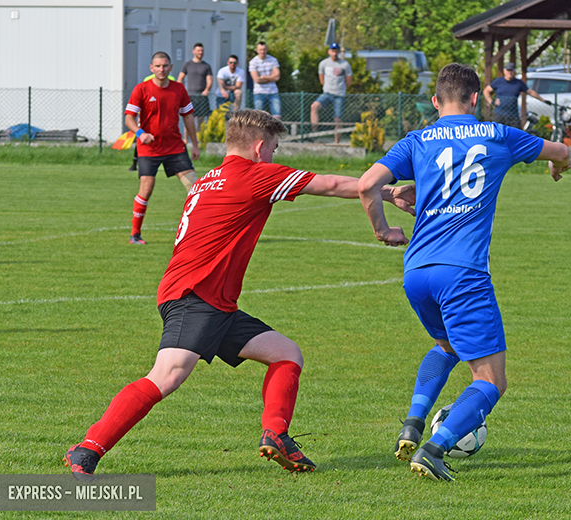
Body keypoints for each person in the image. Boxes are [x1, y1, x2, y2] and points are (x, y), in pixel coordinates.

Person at [64, 109, 415, 478]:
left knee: (285, 354)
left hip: (211, 301)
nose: (276, 157)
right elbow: (328, 184)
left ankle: (277, 434)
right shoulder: (254, 174)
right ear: (260, 148)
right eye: (275, 149)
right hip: (194, 295)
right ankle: (87, 450)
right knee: (167, 374)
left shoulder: (206, 180)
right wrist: (387, 193)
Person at [358, 63, 571, 481]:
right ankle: (435, 450)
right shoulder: (498, 135)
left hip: (417, 272)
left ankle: (413, 424)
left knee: (448, 347)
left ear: (436, 101)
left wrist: (384, 229)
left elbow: (367, 185)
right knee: (491, 380)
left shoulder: (417, 141)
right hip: (463, 274)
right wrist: (556, 167)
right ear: (477, 99)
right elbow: (562, 151)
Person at [125, 51, 200, 245]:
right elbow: (129, 118)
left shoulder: (179, 89)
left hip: (175, 147)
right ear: (151, 68)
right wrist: (141, 134)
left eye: (165, 66)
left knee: (195, 188)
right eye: (157, 66)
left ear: (171, 68)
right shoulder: (141, 89)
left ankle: (200, 233)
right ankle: (135, 233)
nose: (161, 69)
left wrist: (194, 144)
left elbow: (188, 117)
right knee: (147, 188)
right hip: (148, 149)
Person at [482, 62, 549, 128]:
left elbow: (530, 92)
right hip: (499, 114)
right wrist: (491, 101)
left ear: (514, 72)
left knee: (516, 135)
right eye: (508, 70)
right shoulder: (498, 81)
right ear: (504, 71)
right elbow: (486, 91)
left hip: (513, 116)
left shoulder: (519, 83)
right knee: (497, 136)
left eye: (511, 70)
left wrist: (543, 100)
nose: (510, 72)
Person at [311, 43, 352, 144]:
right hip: (327, 93)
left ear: (338, 52)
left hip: (339, 95)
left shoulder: (344, 65)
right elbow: (322, 79)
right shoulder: (323, 63)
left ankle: (337, 141)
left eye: (336, 51)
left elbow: (348, 81)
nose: (334, 53)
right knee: (314, 106)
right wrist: (327, 87)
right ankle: (313, 134)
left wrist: (340, 89)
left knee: (337, 118)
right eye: (332, 51)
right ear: (329, 52)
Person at [177, 43, 214, 138]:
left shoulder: (206, 66)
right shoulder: (187, 65)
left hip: (202, 96)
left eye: (202, 51)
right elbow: (180, 78)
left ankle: (197, 140)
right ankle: (185, 139)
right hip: (190, 96)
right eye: (198, 51)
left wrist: (206, 90)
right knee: (189, 118)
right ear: (194, 51)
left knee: (200, 120)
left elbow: (210, 80)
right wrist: (182, 91)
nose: (200, 52)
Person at [249, 42, 281, 118]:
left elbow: (277, 76)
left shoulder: (273, 60)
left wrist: (263, 77)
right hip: (259, 92)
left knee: (277, 115)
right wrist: (271, 78)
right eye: (260, 50)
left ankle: (276, 130)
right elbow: (256, 79)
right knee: (259, 117)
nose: (262, 52)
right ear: (257, 50)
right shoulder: (253, 62)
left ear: (267, 49)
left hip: (273, 91)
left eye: (264, 49)